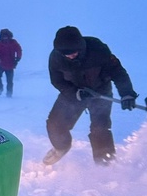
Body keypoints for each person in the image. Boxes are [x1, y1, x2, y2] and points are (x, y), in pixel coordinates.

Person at [44, 25, 137, 165]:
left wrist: (127, 94)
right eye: (65, 54)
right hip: (73, 93)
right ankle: (61, 147)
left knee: (100, 128)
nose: (69, 56)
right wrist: (75, 92)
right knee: (55, 124)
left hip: (100, 92)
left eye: (73, 52)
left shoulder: (98, 50)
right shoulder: (56, 58)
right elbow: (57, 81)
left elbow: (117, 72)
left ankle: (105, 164)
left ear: (81, 47)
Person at [0, 28, 22, 97]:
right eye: (3, 36)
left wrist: (18, 58)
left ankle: (9, 93)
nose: (5, 37)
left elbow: (19, 50)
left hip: (10, 64)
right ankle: (0, 88)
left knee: (9, 81)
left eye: (6, 36)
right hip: (0, 64)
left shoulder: (14, 43)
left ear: (9, 36)